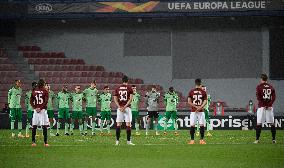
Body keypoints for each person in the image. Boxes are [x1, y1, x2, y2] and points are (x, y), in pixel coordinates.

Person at [254, 73, 276, 144]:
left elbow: (258, 97)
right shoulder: (271, 87)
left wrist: (264, 105)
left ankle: (257, 140)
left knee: (259, 123)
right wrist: (269, 104)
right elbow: (274, 97)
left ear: (261, 79)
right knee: (272, 123)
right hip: (269, 107)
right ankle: (273, 140)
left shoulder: (259, 86)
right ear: (267, 79)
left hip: (261, 107)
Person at [114, 76, 134, 145]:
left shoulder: (117, 88)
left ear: (122, 81)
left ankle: (117, 141)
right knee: (128, 124)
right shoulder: (129, 88)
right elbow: (130, 99)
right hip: (127, 108)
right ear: (127, 80)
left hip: (120, 109)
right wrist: (125, 107)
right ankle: (128, 141)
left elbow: (115, 99)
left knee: (118, 124)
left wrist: (120, 107)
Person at [30, 79, 49, 147]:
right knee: (44, 126)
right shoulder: (45, 91)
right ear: (43, 84)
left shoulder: (34, 90)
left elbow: (31, 100)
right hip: (42, 110)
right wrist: (40, 108)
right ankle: (45, 142)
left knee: (34, 126)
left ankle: (33, 142)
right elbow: (46, 101)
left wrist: (35, 107)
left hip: (36, 111)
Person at [188, 79, 208, 145]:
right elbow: (205, 102)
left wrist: (196, 107)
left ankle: (192, 140)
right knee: (202, 125)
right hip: (201, 111)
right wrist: (200, 107)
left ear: (195, 84)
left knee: (192, 126)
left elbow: (189, 102)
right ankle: (201, 140)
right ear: (200, 83)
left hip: (193, 111)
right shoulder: (203, 92)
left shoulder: (191, 91)